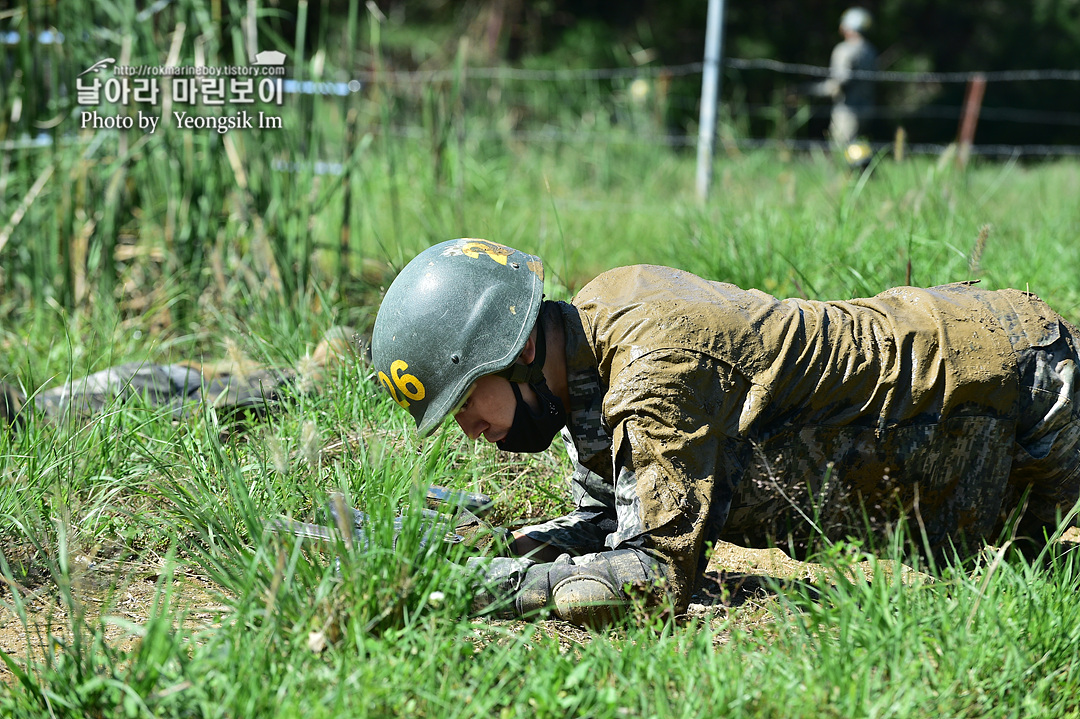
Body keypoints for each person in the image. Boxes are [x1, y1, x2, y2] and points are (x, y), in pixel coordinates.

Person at [371, 238, 1080, 626]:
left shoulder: (651, 365)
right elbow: (611, 515)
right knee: (1038, 565)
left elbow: (649, 578)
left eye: (467, 402)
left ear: (518, 350)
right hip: (967, 417)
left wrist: (475, 590)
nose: (469, 429)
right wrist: (464, 552)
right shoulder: (585, 342)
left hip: (1014, 393)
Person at [0, 327, 363, 430]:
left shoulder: (25, 415)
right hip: (137, 385)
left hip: (137, 391)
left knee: (283, 388)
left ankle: (328, 370)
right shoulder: (30, 413)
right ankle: (324, 368)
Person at [806, 7, 878, 157]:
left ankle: (845, 179)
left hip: (846, 111)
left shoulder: (844, 50)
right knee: (859, 150)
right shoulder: (870, 50)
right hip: (868, 109)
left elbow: (838, 83)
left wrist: (808, 91)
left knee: (840, 153)